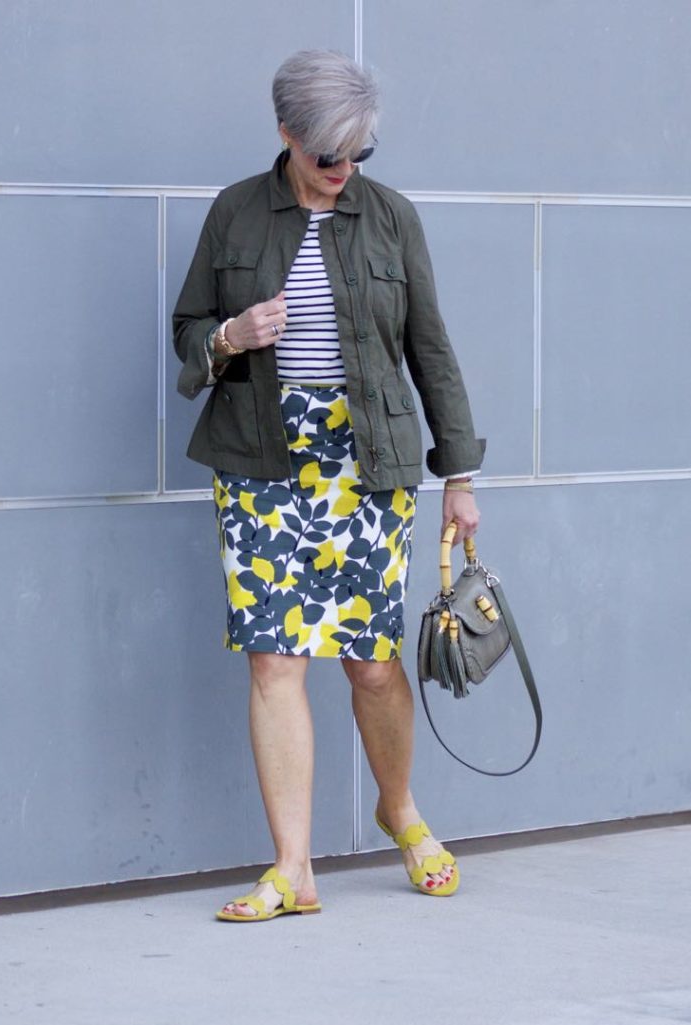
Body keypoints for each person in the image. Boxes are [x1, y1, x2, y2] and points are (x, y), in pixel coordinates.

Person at [172, 49, 484, 921]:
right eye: (327, 155)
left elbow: (431, 351)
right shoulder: (235, 212)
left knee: (370, 662)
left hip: (367, 465)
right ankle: (292, 868)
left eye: (359, 155)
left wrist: (458, 473)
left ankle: (400, 811)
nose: (343, 171)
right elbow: (186, 329)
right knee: (274, 659)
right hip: (261, 459)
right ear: (286, 134)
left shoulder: (391, 220)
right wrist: (230, 333)